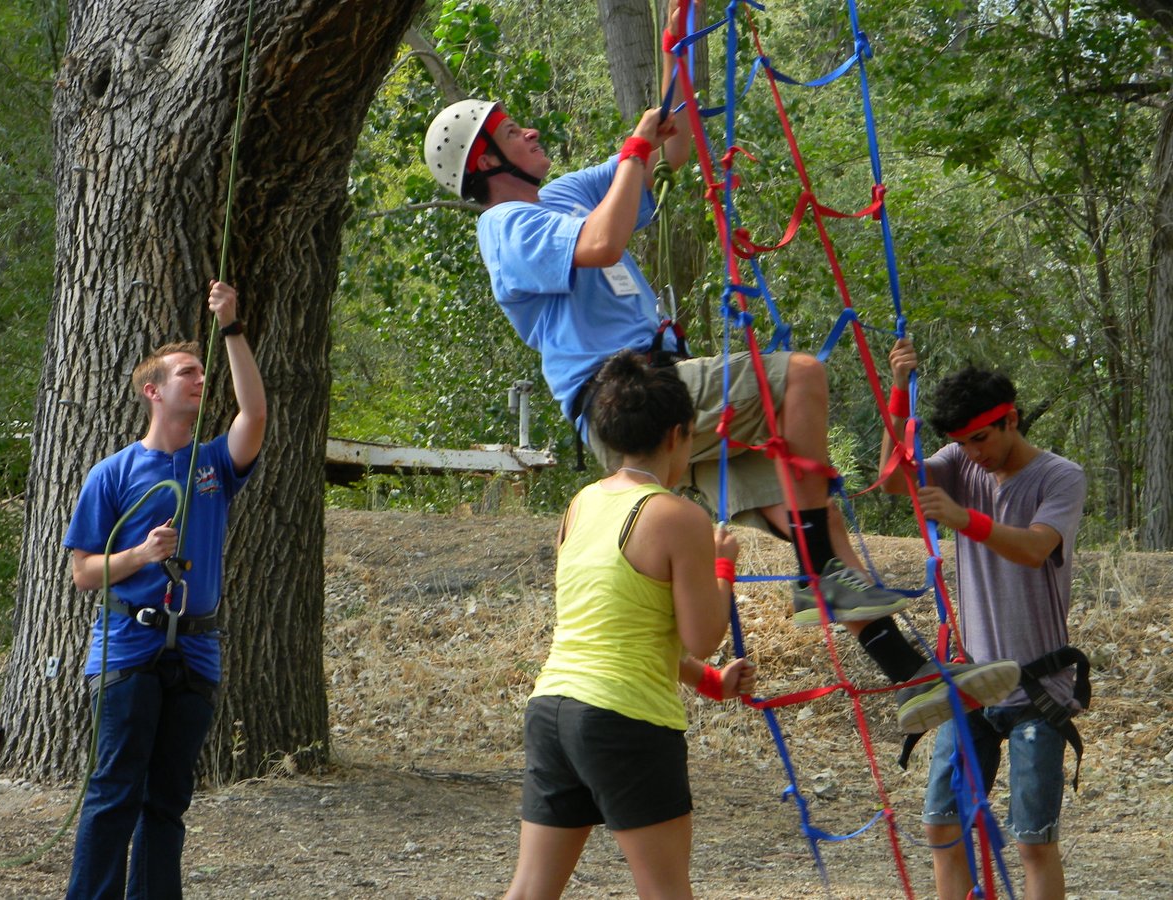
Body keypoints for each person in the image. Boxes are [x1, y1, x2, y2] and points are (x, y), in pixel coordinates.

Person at [423, 2, 1015, 732]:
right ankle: (818, 577)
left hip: (661, 396)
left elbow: (670, 148)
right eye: (514, 132)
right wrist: (635, 150)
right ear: (486, 162)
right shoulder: (506, 225)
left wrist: (682, 45)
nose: (533, 133)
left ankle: (911, 674)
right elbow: (604, 243)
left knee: (811, 512)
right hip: (622, 394)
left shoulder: (565, 193)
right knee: (801, 375)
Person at [504, 350, 754, 899]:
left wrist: (710, 682)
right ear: (678, 434)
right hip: (625, 721)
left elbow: (619, 628)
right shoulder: (676, 516)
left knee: (530, 890)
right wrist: (723, 566)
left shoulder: (582, 503)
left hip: (553, 710)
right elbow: (702, 637)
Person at [63, 280, 266, 899]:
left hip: (196, 653)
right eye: (186, 372)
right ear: (153, 391)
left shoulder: (213, 464)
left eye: (202, 371)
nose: (200, 379)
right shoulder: (113, 474)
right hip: (128, 649)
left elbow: (255, 415)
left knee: (168, 801)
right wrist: (142, 554)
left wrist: (230, 326)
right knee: (114, 793)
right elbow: (83, 573)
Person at [880, 338, 1087, 900]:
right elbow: (894, 477)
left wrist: (962, 518)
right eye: (961, 442)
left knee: (1033, 842)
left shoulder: (1060, 477)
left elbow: (1034, 547)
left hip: (1038, 688)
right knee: (942, 827)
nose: (973, 453)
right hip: (971, 683)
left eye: (981, 438)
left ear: (1010, 420)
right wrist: (898, 390)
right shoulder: (958, 464)